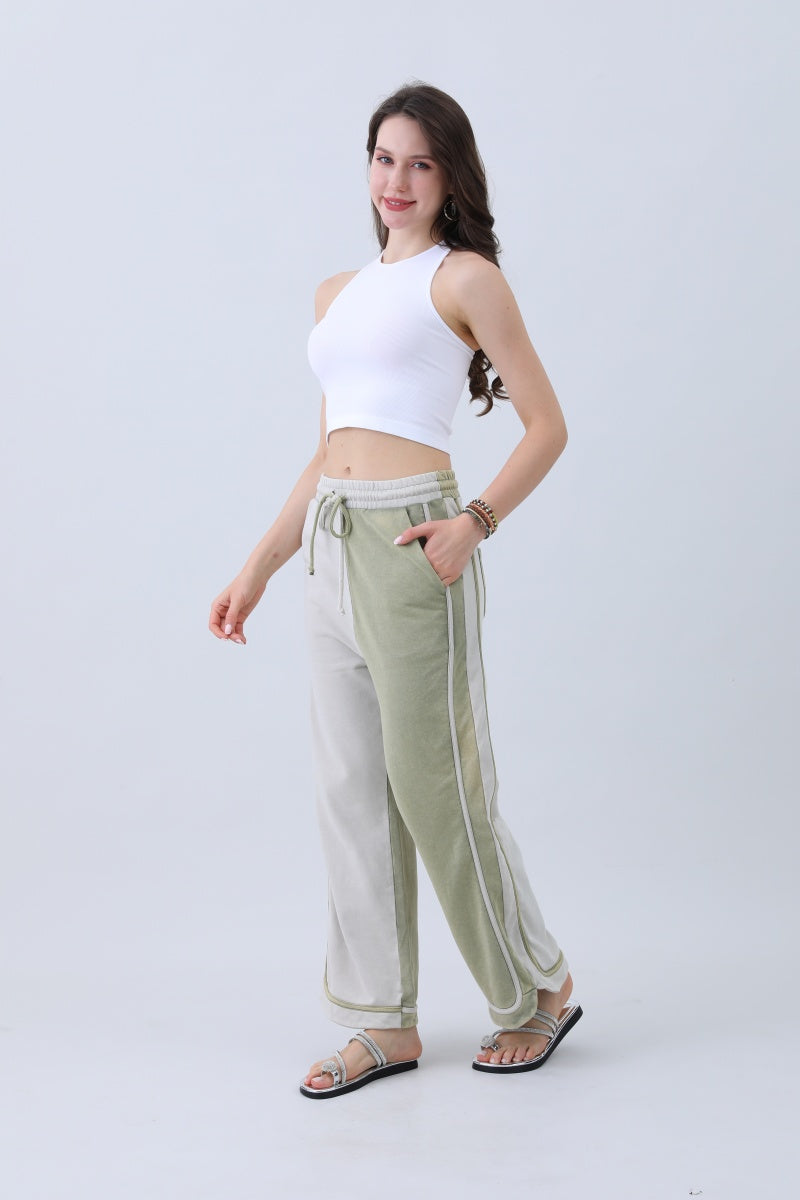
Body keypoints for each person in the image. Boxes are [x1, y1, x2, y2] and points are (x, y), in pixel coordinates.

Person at [209, 82, 581, 1098]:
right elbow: (327, 447)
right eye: (383, 158)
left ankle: (536, 992)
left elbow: (547, 426)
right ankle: (383, 1022)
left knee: (438, 787)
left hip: (417, 538)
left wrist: (474, 523)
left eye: (419, 162)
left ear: (450, 175)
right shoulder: (336, 293)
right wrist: (258, 566)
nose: (397, 180)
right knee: (350, 793)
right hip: (332, 542)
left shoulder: (465, 279)